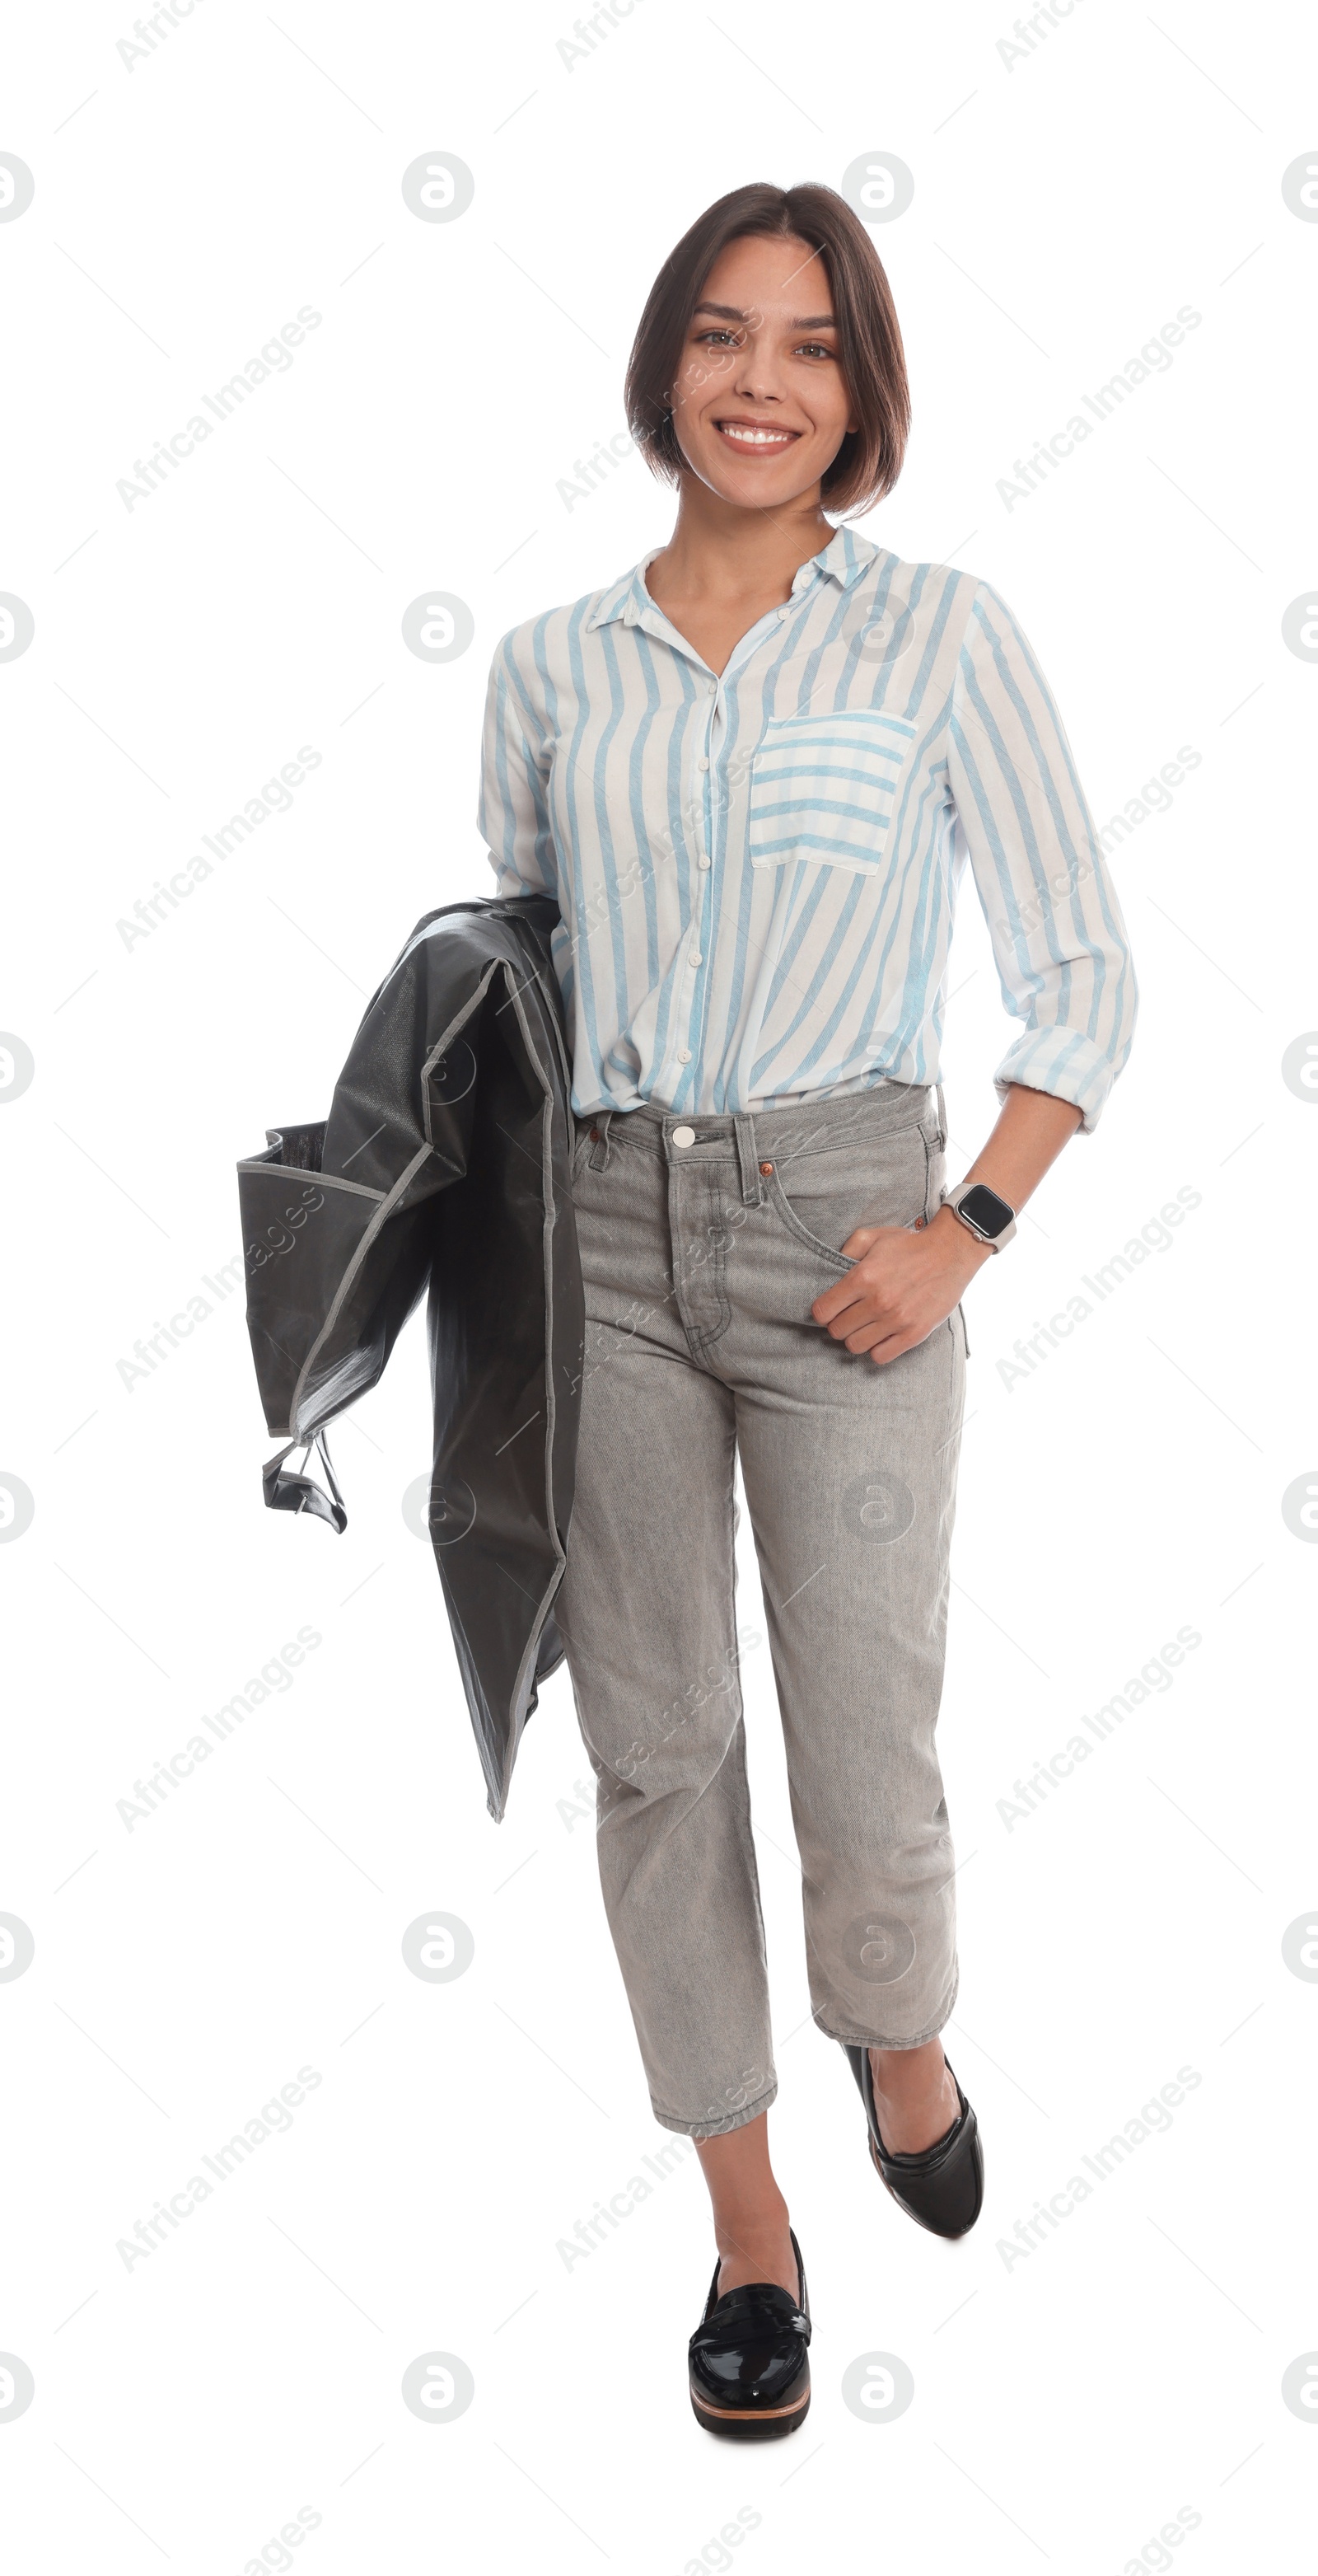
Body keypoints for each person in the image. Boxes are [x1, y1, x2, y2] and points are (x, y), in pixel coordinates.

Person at [479, 180, 1136, 2438]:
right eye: (725, 337)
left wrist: (966, 1224)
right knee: (655, 1752)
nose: (763, 381)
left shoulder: (943, 633)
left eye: (814, 346)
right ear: (667, 363)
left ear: (859, 393)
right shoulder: (556, 665)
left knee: (867, 1753)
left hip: (854, 1223)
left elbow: (1088, 980)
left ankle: (904, 2029)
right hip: (601, 1245)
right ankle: (751, 2234)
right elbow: (523, 971)